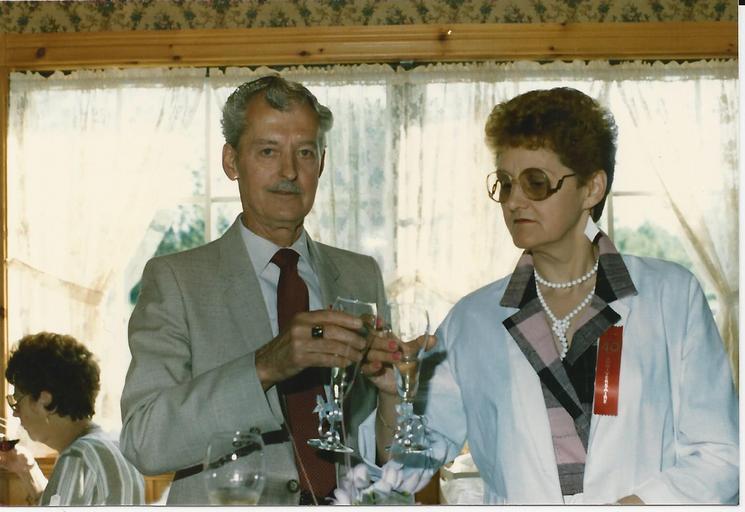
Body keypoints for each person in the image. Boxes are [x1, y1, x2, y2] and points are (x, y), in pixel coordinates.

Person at [358, 87, 738, 504]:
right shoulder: (471, 320)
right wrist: (392, 395)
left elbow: (721, 456)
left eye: (535, 183)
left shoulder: (671, 296)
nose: (513, 201)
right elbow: (406, 469)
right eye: (505, 184)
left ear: (592, 189)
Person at [119, 75, 398, 505]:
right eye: (268, 151)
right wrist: (265, 365)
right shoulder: (176, 280)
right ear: (231, 161)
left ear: (322, 163)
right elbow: (144, 442)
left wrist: (394, 394)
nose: (289, 172)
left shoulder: (361, 276)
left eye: (304, 152)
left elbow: (385, 456)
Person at [0, 332, 145, 505]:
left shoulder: (78, 457)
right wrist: (26, 469)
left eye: (16, 401)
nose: (15, 413)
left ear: (45, 400)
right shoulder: (115, 446)